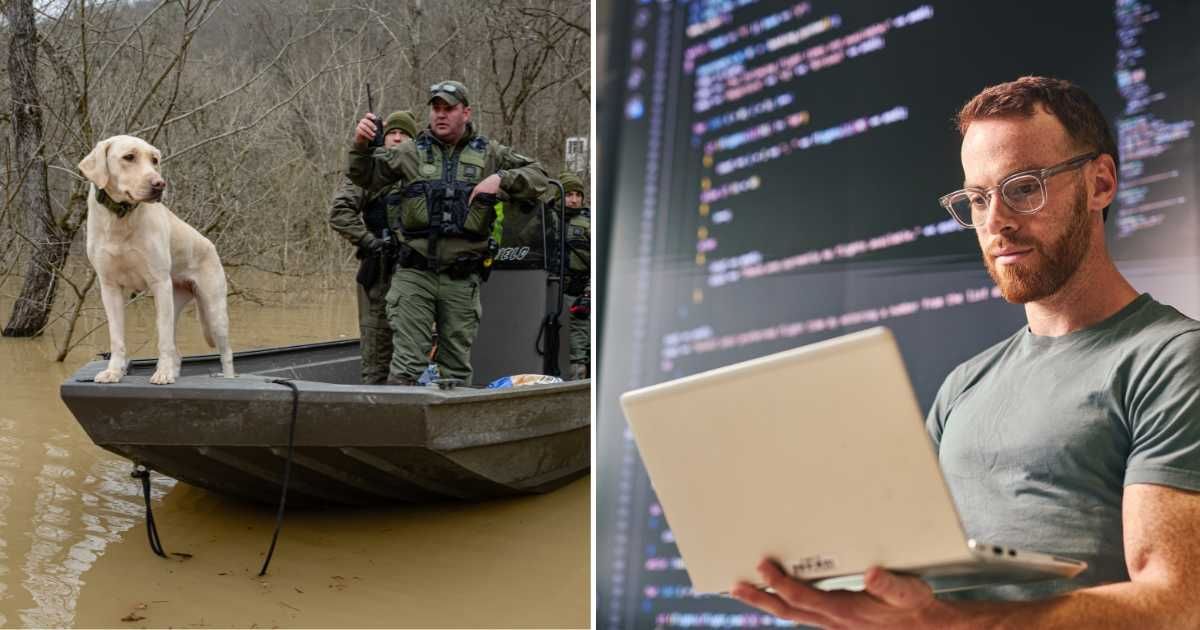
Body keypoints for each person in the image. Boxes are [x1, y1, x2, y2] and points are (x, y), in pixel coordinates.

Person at [733, 76, 1200, 627]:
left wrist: (958, 623)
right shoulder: (963, 386)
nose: (996, 220)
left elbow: (1177, 603)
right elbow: (912, 587)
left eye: (1023, 187)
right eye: (977, 199)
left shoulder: (1172, 359)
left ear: (1100, 183)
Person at [347, 80, 549, 385]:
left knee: (455, 369)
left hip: (461, 278)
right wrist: (360, 145)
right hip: (415, 273)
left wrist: (500, 179)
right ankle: (400, 429)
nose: (440, 115)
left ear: (465, 112)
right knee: (406, 368)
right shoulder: (410, 152)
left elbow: (540, 177)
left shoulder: (489, 152)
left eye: (449, 109)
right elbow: (364, 175)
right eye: (435, 108)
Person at [329, 110, 417, 384]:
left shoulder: (422, 171)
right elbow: (340, 212)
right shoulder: (370, 170)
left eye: (404, 134)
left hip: (416, 274)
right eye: (392, 133)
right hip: (378, 274)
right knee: (376, 356)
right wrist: (371, 242)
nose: (398, 138)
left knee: (411, 356)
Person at [559, 171, 591, 380]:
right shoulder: (547, 219)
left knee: (576, 353)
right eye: (568, 194)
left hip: (577, 296)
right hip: (548, 295)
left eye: (577, 195)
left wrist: (588, 294)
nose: (573, 200)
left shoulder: (589, 222)